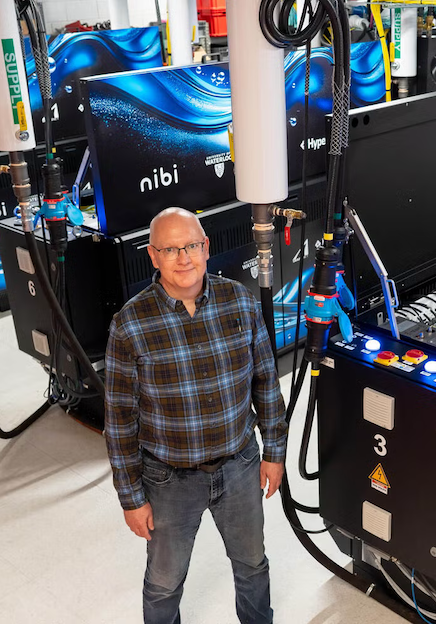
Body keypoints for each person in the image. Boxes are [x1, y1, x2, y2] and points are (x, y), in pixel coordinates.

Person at [104, 207, 286, 624]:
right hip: (169, 479)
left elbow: (266, 381)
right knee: (164, 582)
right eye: (170, 249)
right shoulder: (130, 325)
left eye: (190, 245)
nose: (183, 257)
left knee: (252, 564)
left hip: (239, 465)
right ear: (153, 256)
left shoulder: (239, 302)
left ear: (205, 248)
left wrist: (273, 453)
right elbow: (119, 423)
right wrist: (131, 498)